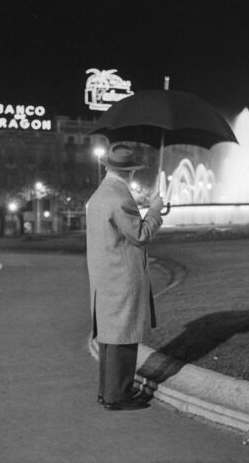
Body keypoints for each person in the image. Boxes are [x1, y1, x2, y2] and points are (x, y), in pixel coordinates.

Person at [86, 143, 164, 411]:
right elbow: (140, 235)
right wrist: (155, 210)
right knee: (124, 336)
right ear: (129, 171)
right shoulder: (119, 197)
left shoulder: (100, 194)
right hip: (122, 276)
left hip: (104, 275)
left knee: (110, 336)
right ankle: (118, 396)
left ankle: (106, 392)